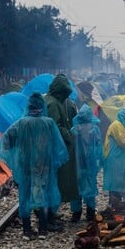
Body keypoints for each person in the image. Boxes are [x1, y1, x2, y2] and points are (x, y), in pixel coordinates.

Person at [0, 92, 68, 240]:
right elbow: (58, 146)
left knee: (25, 195)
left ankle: (27, 231)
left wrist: (16, 152)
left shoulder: (21, 123)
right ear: (42, 106)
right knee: (43, 194)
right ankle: (43, 230)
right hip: (44, 165)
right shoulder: (48, 123)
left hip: (25, 165)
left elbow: (6, 141)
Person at [45, 74, 80, 221]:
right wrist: (70, 136)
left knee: (54, 180)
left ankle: (50, 211)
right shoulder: (53, 103)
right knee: (53, 180)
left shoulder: (54, 100)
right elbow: (57, 125)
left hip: (54, 145)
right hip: (53, 146)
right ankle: (48, 214)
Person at [70, 104, 103, 222]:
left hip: (77, 165)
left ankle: (76, 213)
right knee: (90, 186)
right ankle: (90, 212)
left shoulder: (74, 130)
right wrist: (99, 161)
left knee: (76, 188)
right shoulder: (95, 129)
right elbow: (99, 147)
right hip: (90, 163)